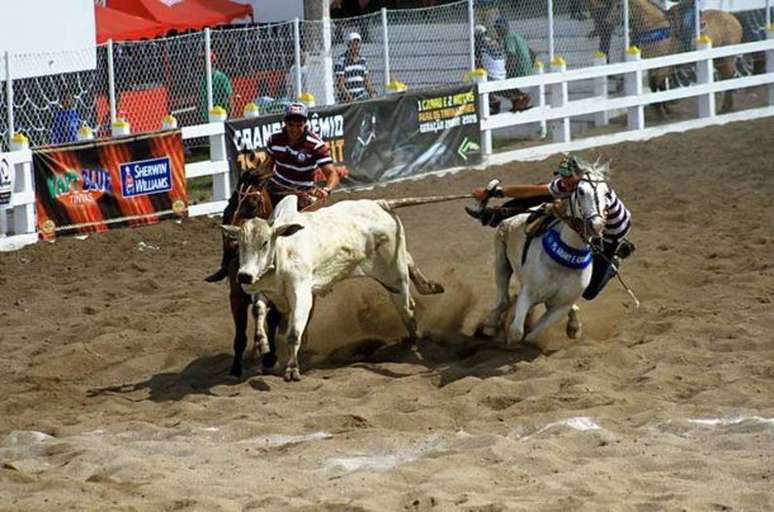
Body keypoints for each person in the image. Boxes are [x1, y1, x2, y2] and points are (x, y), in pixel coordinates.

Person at [466, 153, 634, 300]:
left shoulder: (595, 192)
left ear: (579, 175)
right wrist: (496, 192)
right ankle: (493, 214)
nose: (564, 180)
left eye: (567, 176)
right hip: (586, 219)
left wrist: (561, 213)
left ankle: (613, 262)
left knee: (589, 292)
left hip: (609, 234)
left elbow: (595, 227)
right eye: (563, 176)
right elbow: (533, 191)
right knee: (542, 194)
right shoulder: (571, 184)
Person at [204, 102, 340, 283]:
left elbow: (332, 174)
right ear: (285, 123)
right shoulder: (275, 139)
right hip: (274, 188)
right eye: (291, 124)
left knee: (287, 230)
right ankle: (226, 263)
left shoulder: (315, 145)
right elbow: (269, 164)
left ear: (305, 124)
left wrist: (326, 189)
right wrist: (257, 174)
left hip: (300, 194)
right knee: (234, 210)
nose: (294, 128)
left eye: (299, 124)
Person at [493, 17, 533, 112]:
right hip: (527, 70)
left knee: (497, 87)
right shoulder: (517, 36)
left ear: (505, 28)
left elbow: (512, 56)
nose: (497, 30)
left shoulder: (508, 37)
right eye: (496, 28)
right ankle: (517, 101)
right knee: (505, 83)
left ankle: (520, 98)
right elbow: (532, 53)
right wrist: (528, 67)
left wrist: (506, 72)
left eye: (499, 28)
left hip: (518, 71)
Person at [334, 32, 378, 104]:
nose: (357, 46)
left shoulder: (363, 60)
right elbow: (340, 84)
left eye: (358, 43)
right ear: (349, 45)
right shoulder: (341, 61)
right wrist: (351, 99)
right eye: (354, 43)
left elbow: (366, 80)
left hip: (361, 97)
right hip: (347, 100)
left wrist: (373, 93)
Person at [474, 25, 507, 114]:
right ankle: (492, 101)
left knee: (476, 77)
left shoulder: (479, 43)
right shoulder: (493, 41)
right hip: (503, 73)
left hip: (492, 75)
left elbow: (477, 62)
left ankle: (491, 101)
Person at [200, 50, 233, 122]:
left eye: (203, 60)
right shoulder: (202, 79)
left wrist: (229, 116)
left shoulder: (221, 78)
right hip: (206, 118)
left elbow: (229, 98)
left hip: (220, 116)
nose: (201, 63)